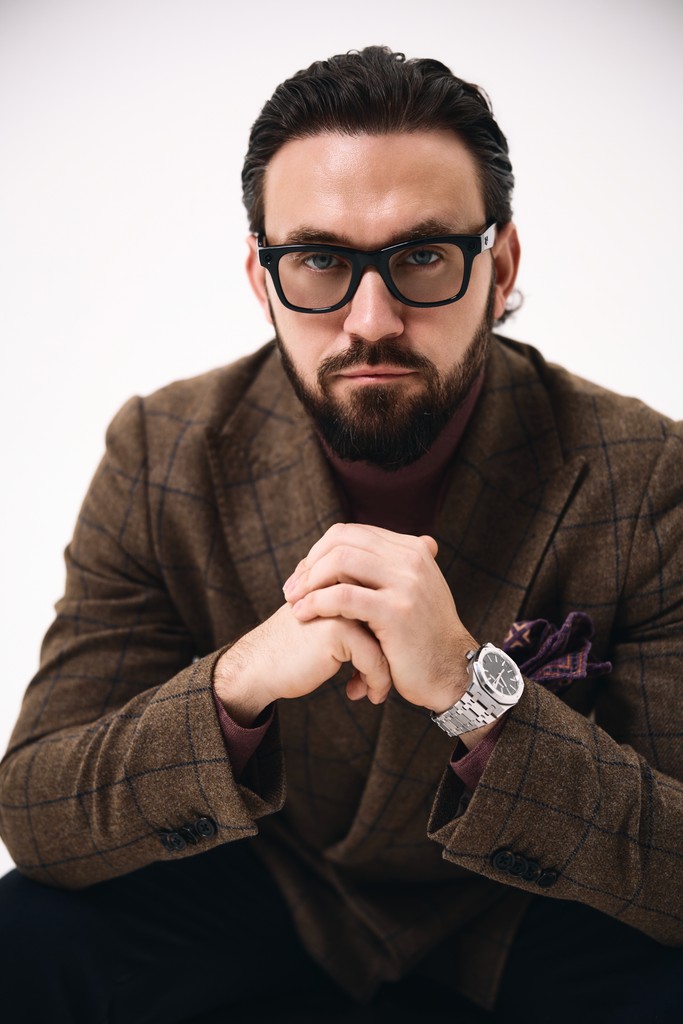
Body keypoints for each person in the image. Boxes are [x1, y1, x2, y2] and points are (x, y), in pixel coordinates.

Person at [0, 45, 681, 1024]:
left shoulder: (645, 474)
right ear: (261, 277)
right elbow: (33, 809)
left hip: (525, 911)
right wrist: (235, 684)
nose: (372, 320)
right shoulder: (162, 450)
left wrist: (475, 691)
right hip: (268, 889)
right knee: (25, 936)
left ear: (499, 268)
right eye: (318, 260)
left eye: (421, 257)